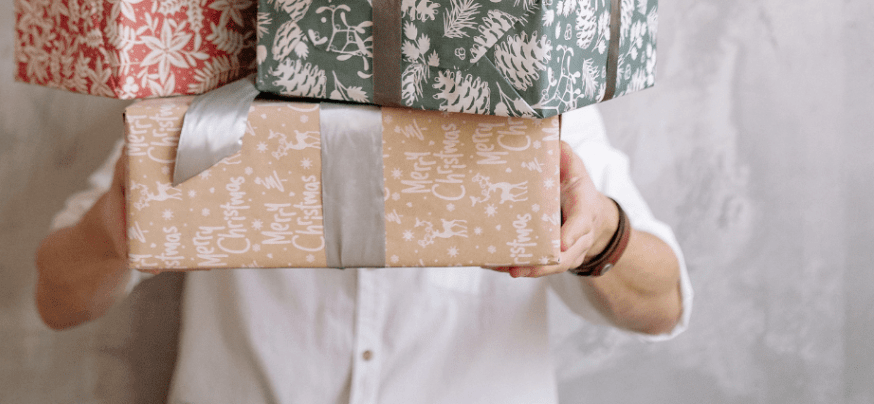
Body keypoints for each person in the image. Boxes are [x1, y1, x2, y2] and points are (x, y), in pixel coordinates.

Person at [36, 103, 692, 404]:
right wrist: (128, 225)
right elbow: (58, 297)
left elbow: (663, 305)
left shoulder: (529, 93)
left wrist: (600, 234)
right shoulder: (215, 91)